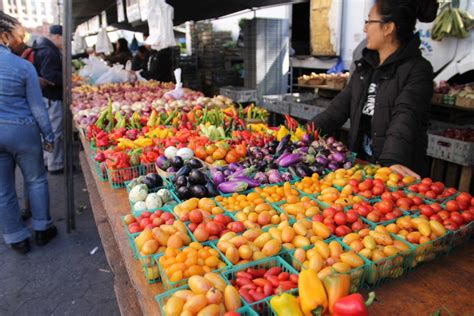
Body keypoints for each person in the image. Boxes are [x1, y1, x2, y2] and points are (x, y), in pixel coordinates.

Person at [310, 0, 435, 178]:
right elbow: (337, 110)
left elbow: (407, 115)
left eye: (369, 21)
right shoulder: (366, 67)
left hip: (395, 171)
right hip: (362, 170)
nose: (365, 29)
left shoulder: (417, 69)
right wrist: (305, 133)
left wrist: (392, 160)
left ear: (388, 28)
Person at [0, 12, 58, 254]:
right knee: (35, 180)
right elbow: (37, 107)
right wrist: (49, 135)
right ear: (4, 36)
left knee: (3, 190)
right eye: (17, 35)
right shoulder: (23, 66)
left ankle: (16, 238)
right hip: (23, 130)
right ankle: (42, 229)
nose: (20, 39)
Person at [34, 24, 64, 174]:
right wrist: (66, 78)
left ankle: (48, 160)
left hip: (46, 96)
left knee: (48, 131)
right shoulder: (49, 52)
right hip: (52, 97)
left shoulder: (42, 48)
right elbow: (49, 75)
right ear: (58, 36)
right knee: (54, 131)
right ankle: (55, 164)